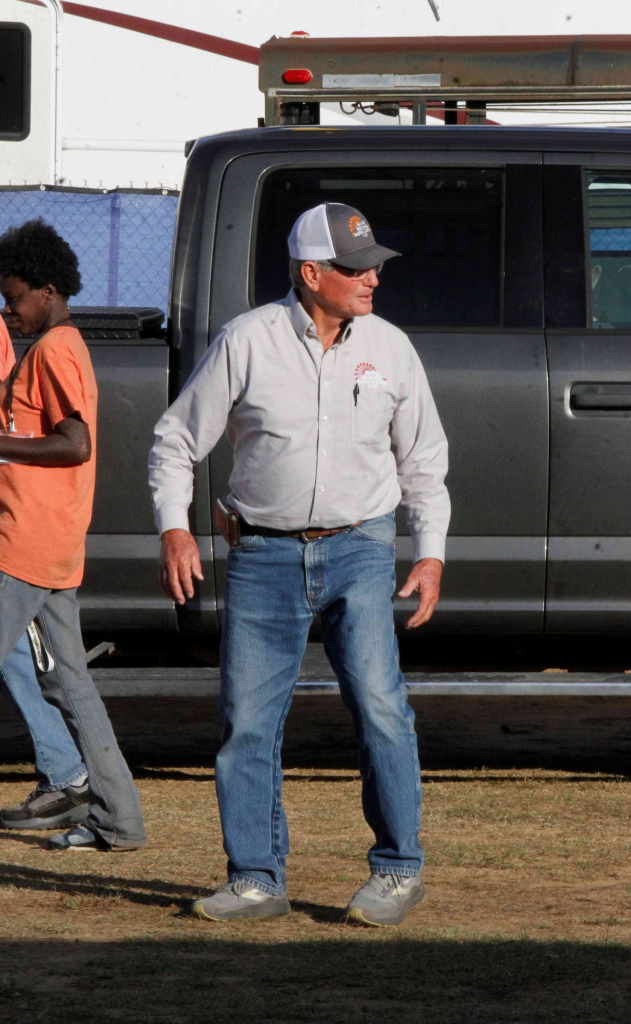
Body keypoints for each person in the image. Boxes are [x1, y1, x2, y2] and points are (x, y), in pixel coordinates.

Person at [150, 202, 449, 925]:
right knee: (248, 720)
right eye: (355, 267)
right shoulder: (246, 341)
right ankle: (256, 878)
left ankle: (397, 870)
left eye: (374, 264)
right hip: (262, 553)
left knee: (380, 707)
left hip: (361, 546)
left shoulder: (392, 347)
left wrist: (430, 552)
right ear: (311, 274)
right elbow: (174, 441)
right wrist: (175, 531)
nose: (372, 277)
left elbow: (424, 461)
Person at [0, 219, 146, 851]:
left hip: (27, 542)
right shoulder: (59, 344)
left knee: (65, 681)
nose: (9, 311)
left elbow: (74, 441)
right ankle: (120, 819)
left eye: (15, 299)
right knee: (68, 682)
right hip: (50, 541)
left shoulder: (57, 347)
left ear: (49, 290)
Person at [0, 312, 90, 831]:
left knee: (21, 643)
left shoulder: (55, 347)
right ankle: (65, 767)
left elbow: (69, 439)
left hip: (22, 522)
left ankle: (68, 771)